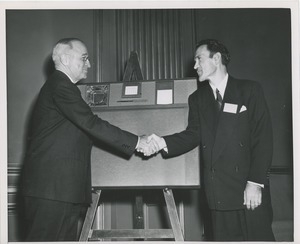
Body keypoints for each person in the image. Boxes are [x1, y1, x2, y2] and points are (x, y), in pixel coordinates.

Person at [139, 39, 275, 241]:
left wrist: (255, 182)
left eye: (199, 59)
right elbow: (193, 135)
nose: (194, 66)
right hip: (217, 194)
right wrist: (161, 142)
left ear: (216, 58)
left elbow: (263, 138)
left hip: (248, 191)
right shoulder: (197, 99)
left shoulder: (250, 90)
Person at [21, 38, 153, 241]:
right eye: (84, 58)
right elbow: (91, 123)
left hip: (59, 189)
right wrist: (137, 141)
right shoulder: (60, 86)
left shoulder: (61, 86)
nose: (89, 64)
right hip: (52, 190)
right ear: (65, 58)